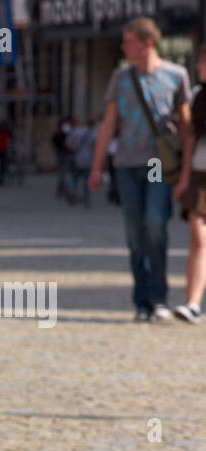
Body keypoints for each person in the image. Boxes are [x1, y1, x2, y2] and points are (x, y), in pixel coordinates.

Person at [87, 16, 192, 322]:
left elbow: (185, 127)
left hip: (158, 163)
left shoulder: (176, 75)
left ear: (147, 43)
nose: (123, 46)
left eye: (128, 41)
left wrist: (186, 173)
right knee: (135, 234)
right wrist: (96, 167)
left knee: (154, 223)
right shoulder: (121, 78)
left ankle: (158, 297)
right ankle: (141, 301)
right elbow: (108, 125)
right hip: (125, 165)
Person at [171, 44, 206, 324]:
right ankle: (192, 303)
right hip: (200, 174)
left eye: (203, 62)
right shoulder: (198, 96)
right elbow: (190, 140)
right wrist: (183, 179)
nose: (198, 67)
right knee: (199, 238)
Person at [66, 116, 97, 206]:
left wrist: (74, 150)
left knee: (75, 178)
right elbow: (97, 144)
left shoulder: (76, 132)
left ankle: (71, 191)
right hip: (88, 159)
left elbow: (68, 143)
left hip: (77, 158)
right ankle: (86, 200)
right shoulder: (93, 133)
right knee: (87, 181)